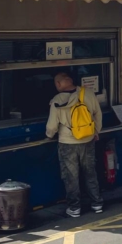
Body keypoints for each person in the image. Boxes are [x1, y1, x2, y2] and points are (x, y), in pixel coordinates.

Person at [46, 72, 103, 218]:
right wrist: (96, 131)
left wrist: (49, 136)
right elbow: (98, 114)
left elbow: (52, 126)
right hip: (88, 139)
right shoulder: (88, 93)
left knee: (71, 176)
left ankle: (74, 208)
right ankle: (97, 203)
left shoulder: (57, 100)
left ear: (58, 84)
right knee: (90, 171)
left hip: (68, 142)